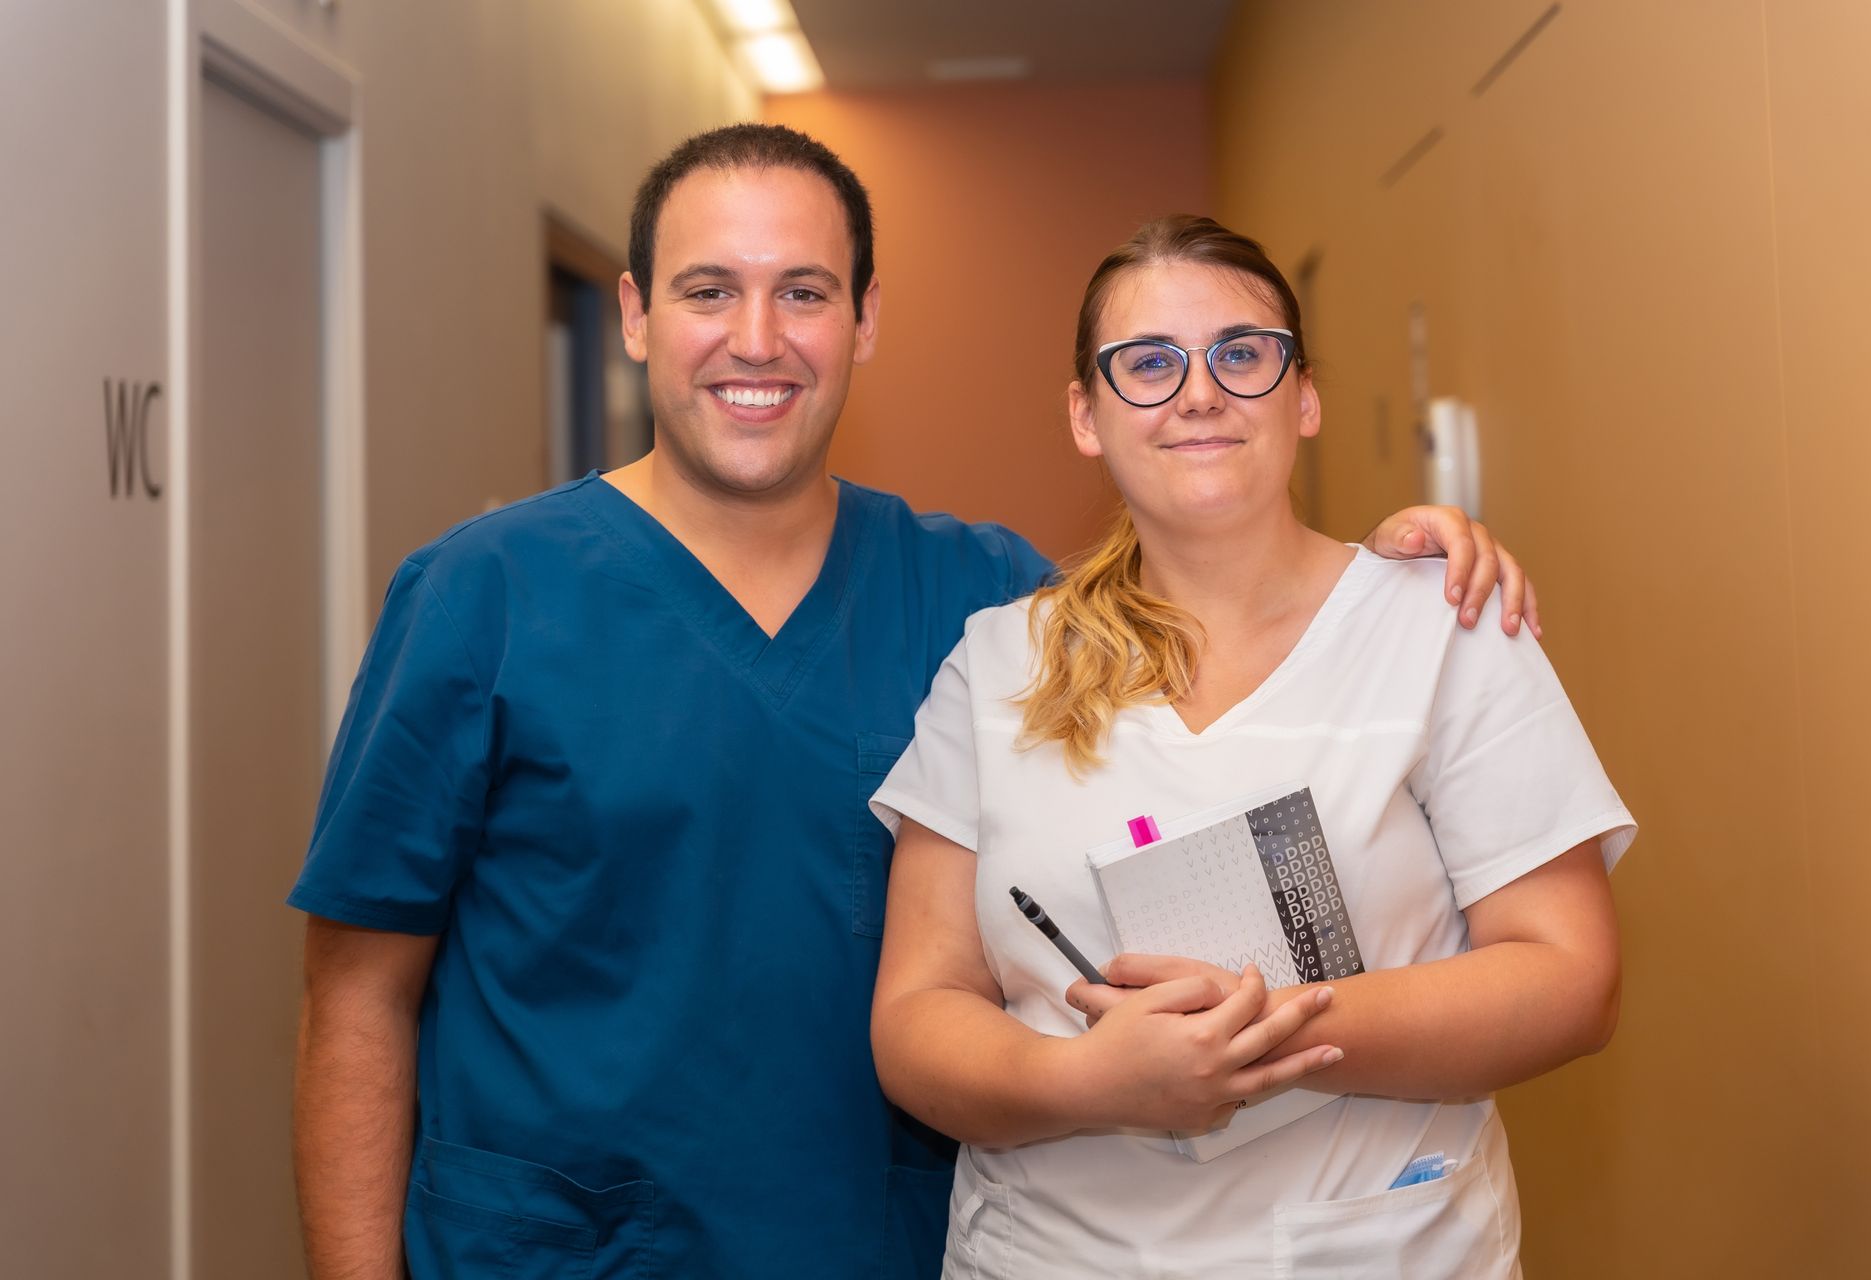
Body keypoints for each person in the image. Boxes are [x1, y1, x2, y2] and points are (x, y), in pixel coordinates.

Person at [288, 126, 1542, 1280]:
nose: (758, 337)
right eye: (708, 289)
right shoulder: (480, 594)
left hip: (880, 1239)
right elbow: (358, 993)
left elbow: (1231, 649)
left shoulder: (988, 602)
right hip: (564, 1250)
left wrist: (1385, 572)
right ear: (634, 315)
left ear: (866, 319)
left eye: (806, 292)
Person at [868, 214, 1634, 1278]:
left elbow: (1571, 976)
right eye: (1147, 363)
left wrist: (1265, 1030)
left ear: (1304, 395)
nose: (1198, 392)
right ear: (1086, 416)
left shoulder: (1441, 626)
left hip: (1376, 1250)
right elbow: (917, 1012)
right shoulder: (997, 666)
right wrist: (1094, 1080)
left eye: (1243, 353)